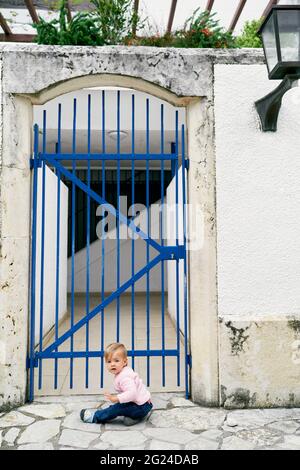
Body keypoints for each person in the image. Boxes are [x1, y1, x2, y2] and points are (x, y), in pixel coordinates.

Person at [80, 342, 153, 426]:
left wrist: (116, 398)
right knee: (123, 409)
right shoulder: (125, 371)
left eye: (116, 360)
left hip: (141, 406)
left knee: (116, 408)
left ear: (125, 362)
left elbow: (132, 393)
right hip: (143, 404)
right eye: (109, 361)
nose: (112, 364)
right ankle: (135, 417)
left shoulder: (125, 378)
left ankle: (94, 417)